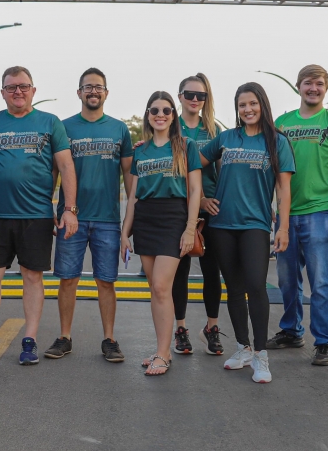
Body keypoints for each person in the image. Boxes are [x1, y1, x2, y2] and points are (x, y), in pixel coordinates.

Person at [0, 67, 76, 366]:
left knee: (32, 277)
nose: (17, 91)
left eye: (23, 86)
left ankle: (29, 341)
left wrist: (69, 209)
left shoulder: (50, 123)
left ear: (33, 90)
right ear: (2, 92)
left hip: (36, 215)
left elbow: (66, 166)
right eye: (11, 87)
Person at [199, 83, 294, 383]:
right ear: (237, 109)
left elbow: (284, 188)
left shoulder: (277, 141)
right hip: (221, 225)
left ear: (262, 105)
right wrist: (201, 198)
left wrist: (283, 227)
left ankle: (261, 356)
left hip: (255, 224)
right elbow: (190, 163)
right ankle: (243, 348)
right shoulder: (226, 138)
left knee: (256, 285)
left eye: (253, 103)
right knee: (234, 288)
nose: (248, 109)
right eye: (242, 105)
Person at [46, 68, 134, 362]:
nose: (93, 91)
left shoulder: (120, 129)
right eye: (88, 87)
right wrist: (48, 207)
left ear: (106, 93)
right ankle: (64, 337)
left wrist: (130, 219)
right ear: (79, 92)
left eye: (98, 87)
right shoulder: (64, 127)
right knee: (68, 279)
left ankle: (109, 339)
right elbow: (54, 171)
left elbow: (129, 175)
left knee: (106, 281)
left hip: (108, 219)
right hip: (72, 217)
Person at [271, 64, 328, 366]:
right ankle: (291, 331)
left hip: (322, 212)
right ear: (298, 86)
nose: (313, 88)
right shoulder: (281, 123)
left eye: (319, 83)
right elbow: (271, 170)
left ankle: (324, 341)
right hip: (286, 215)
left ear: (326, 88)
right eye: (308, 83)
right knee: (286, 281)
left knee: (321, 283)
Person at [120, 92, 201, 376]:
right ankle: (160, 349)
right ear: (148, 115)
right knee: (155, 290)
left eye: (166, 110)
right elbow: (133, 196)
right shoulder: (140, 151)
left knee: (161, 286)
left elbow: (195, 190)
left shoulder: (186, 146)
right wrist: (124, 232)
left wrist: (190, 228)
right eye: (154, 110)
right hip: (145, 218)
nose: (160, 115)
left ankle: (164, 354)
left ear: (173, 115)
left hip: (173, 218)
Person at [171, 73, 223, 356]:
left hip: (211, 208)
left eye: (200, 95)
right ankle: (181, 329)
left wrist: (211, 201)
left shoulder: (213, 130)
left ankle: (212, 328)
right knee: (179, 271)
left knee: (211, 270)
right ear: (179, 96)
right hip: (179, 206)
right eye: (189, 94)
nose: (194, 99)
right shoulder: (170, 126)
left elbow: (222, 172)